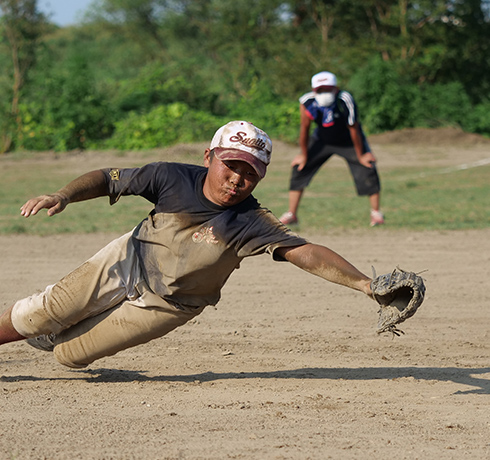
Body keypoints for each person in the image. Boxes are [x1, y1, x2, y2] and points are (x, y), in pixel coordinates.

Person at [0, 120, 375, 369]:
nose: (237, 179)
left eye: (250, 173)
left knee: (70, 355)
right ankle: (51, 319)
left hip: (170, 304)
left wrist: (366, 285)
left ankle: (58, 334)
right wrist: (63, 195)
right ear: (209, 156)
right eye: (231, 164)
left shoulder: (252, 221)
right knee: (42, 312)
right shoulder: (170, 176)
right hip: (128, 259)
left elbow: (304, 251)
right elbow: (108, 178)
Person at [279, 71, 384, 227]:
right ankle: (292, 214)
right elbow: (304, 129)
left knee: (367, 166)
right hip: (322, 140)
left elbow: (353, 128)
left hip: (348, 140)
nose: (324, 93)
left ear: (336, 88)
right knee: (300, 168)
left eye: (328, 89)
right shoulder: (307, 101)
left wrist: (361, 155)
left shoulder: (345, 100)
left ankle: (376, 214)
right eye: (320, 90)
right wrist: (303, 154)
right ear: (314, 91)